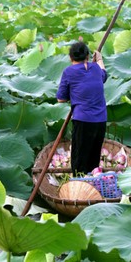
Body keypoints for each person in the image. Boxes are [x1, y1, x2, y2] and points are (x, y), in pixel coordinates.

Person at [56, 41, 107, 176]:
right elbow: (104, 74)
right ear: (88, 56)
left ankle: (78, 188)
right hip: (101, 120)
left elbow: (61, 99)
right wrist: (100, 59)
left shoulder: (69, 71)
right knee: (93, 159)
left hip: (83, 120)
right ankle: (92, 187)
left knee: (79, 161)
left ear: (70, 57)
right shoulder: (96, 68)